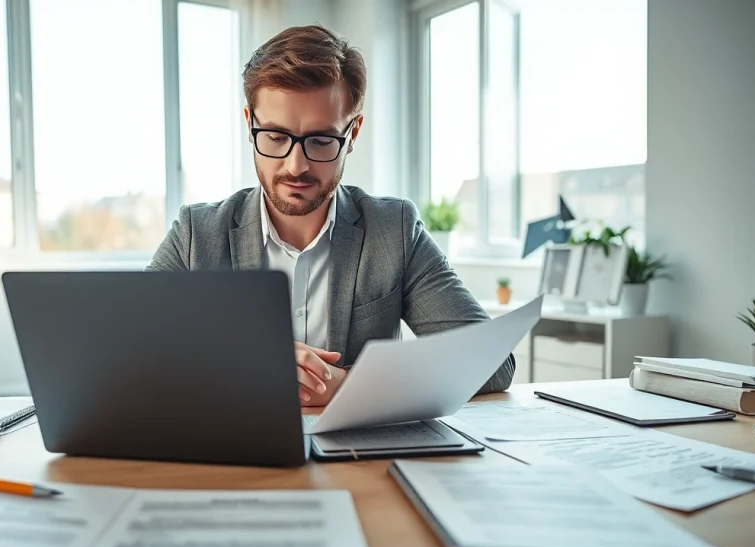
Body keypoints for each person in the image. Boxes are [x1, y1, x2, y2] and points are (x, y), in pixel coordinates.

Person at [147, 24, 515, 406]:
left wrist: (346, 386)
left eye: (321, 141)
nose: (295, 166)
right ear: (249, 124)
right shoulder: (196, 235)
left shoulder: (395, 231)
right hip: (236, 457)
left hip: (358, 461)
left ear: (353, 133)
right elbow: (128, 354)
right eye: (275, 137)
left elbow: (493, 364)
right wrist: (247, 364)